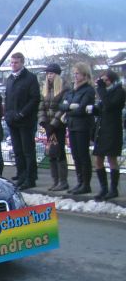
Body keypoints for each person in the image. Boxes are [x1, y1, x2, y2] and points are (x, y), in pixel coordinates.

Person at [4, 52, 41, 190]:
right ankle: (21, 175)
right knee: (17, 150)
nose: (13, 65)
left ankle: (30, 178)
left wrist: (22, 113)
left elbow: (35, 99)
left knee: (28, 151)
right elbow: (7, 99)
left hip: (26, 120)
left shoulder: (30, 78)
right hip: (12, 120)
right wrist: (7, 115)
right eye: (12, 62)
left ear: (22, 63)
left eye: (16, 62)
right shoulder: (9, 79)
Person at [61, 62, 96, 195]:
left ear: (84, 74)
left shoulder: (88, 90)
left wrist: (69, 109)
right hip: (72, 125)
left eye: (77, 74)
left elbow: (82, 109)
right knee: (75, 155)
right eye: (74, 73)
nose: (75, 76)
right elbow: (62, 105)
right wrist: (70, 107)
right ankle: (79, 182)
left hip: (83, 126)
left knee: (83, 155)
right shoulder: (72, 90)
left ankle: (86, 184)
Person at [90, 70, 125, 200]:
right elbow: (102, 108)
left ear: (112, 80)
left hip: (112, 130)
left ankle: (113, 189)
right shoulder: (106, 92)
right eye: (102, 80)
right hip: (101, 129)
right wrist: (93, 109)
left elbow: (109, 106)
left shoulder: (119, 92)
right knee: (98, 159)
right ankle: (103, 188)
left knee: (111, 159)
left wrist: (101, 89)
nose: (104, 83)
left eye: (106, 80)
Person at [38, 63, 69, 191]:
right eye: (47, 73)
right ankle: (55, 181)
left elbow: (62, 108)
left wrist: (53, 124)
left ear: (57, 75)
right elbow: (41, 106)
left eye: (51, 73)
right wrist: (43, 122)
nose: (49, 76)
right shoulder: (45, 88)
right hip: (48, 126)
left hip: (58, 126)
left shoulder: (64, 88)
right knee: (51, 153)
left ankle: (63, 181)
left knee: (59, 152)